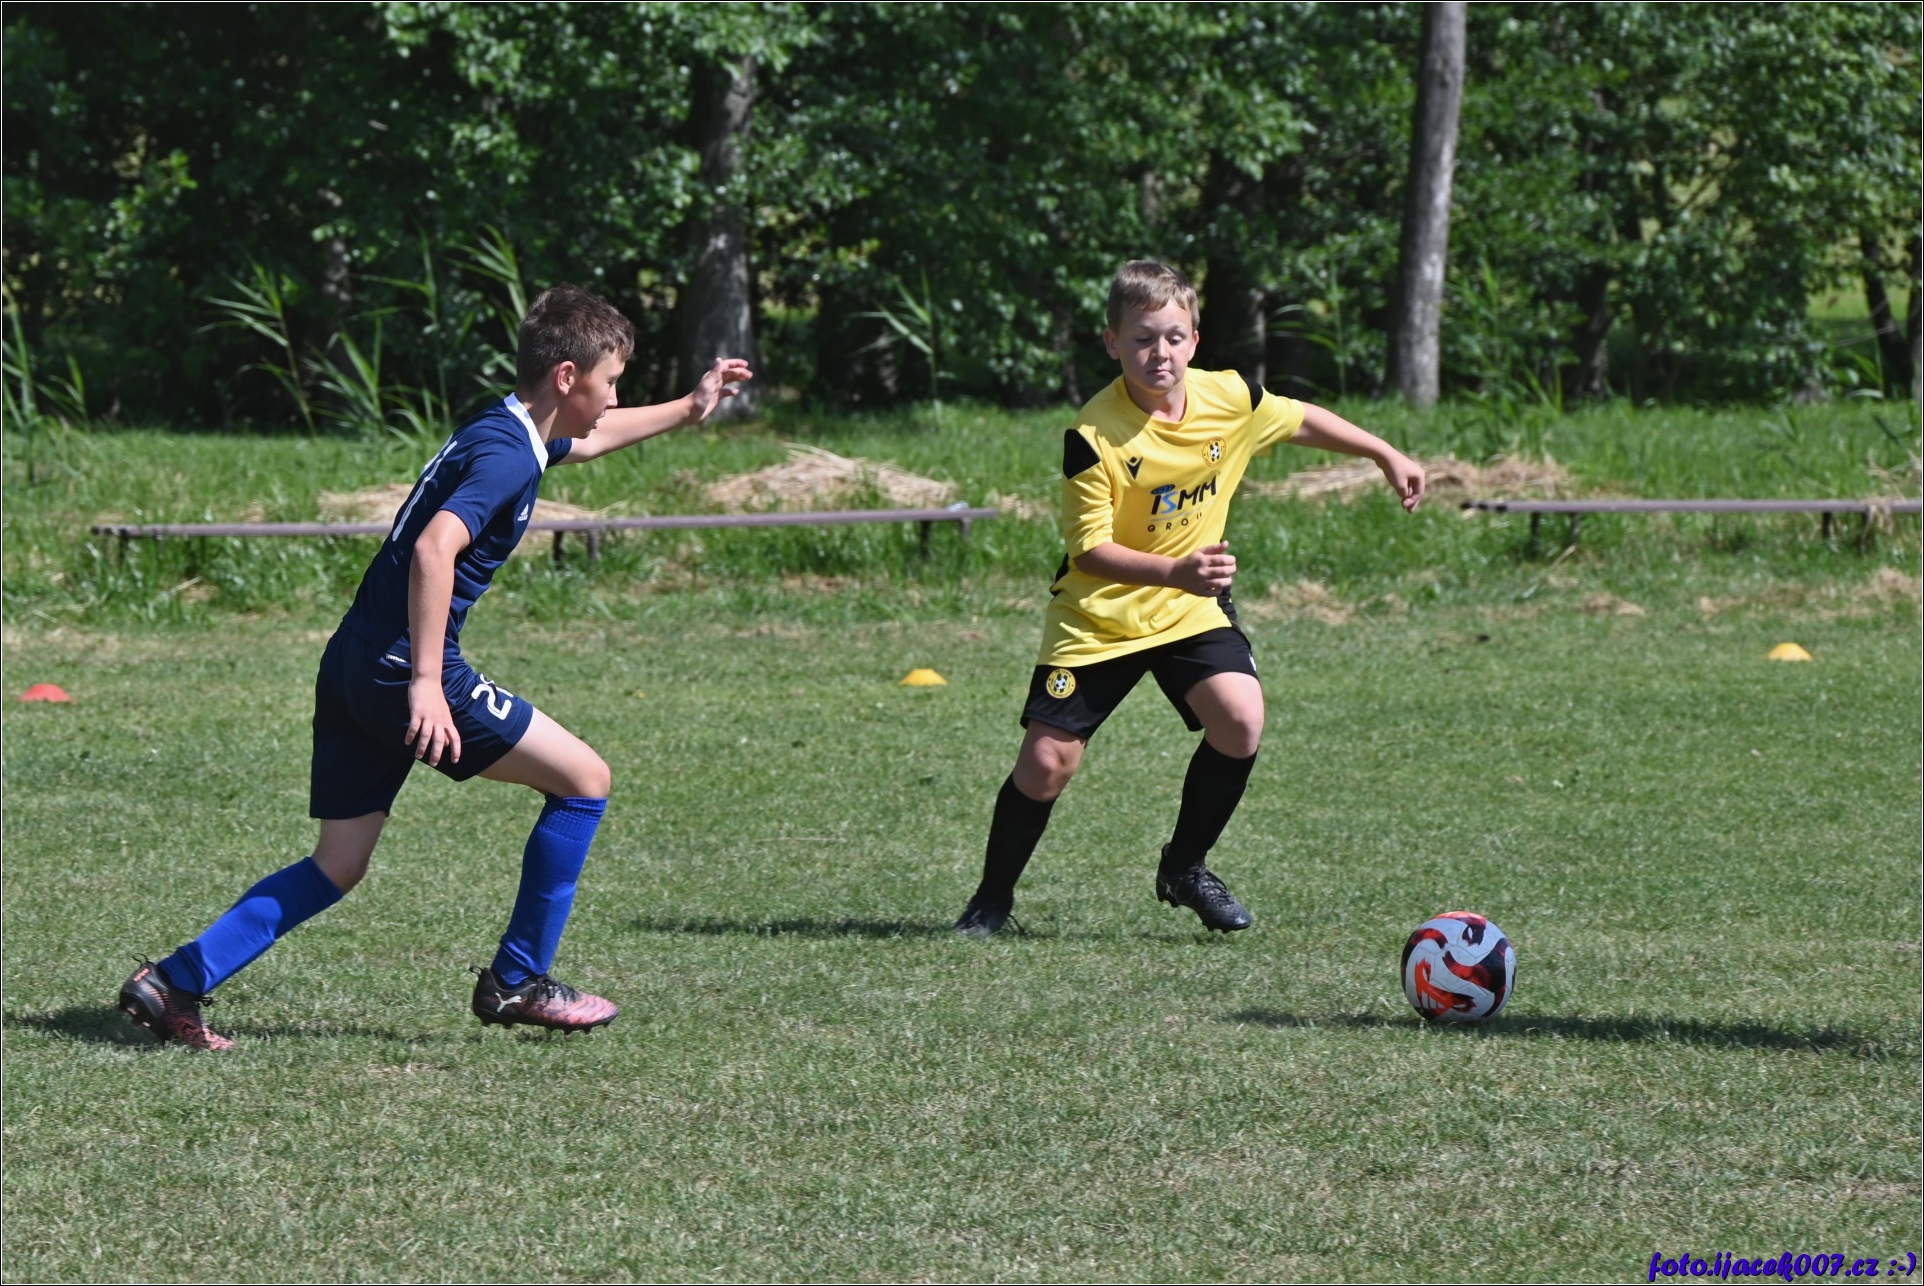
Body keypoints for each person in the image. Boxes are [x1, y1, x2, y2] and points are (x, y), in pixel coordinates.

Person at [119, 284, 753, 1048]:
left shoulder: (506, 428)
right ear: (566, 377)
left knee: (339, 862)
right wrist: (426, 683)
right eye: (610, 380)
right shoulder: (507, 455)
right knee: (585, 781)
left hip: (353, 659)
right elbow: (434, 547)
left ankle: (175, 979)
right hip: (402, 670)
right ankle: (518, 979)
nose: (615, 397)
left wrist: (689, 408)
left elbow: (586, 439)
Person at [954, 260, 1425, 938]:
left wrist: (1384, 453)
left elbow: (1298, 420)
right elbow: (1088, 552)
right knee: (1048, 763)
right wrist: (1177, 569)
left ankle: (1184, 868)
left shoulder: (1228, 398)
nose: (1160, 353)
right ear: (1113, 343)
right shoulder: (1093, 436)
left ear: (1195, 341)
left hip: (1188, 607)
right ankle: (992, 898)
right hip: (1099, 615)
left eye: (1174, 338)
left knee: (1240, 719)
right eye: (1143, 339)